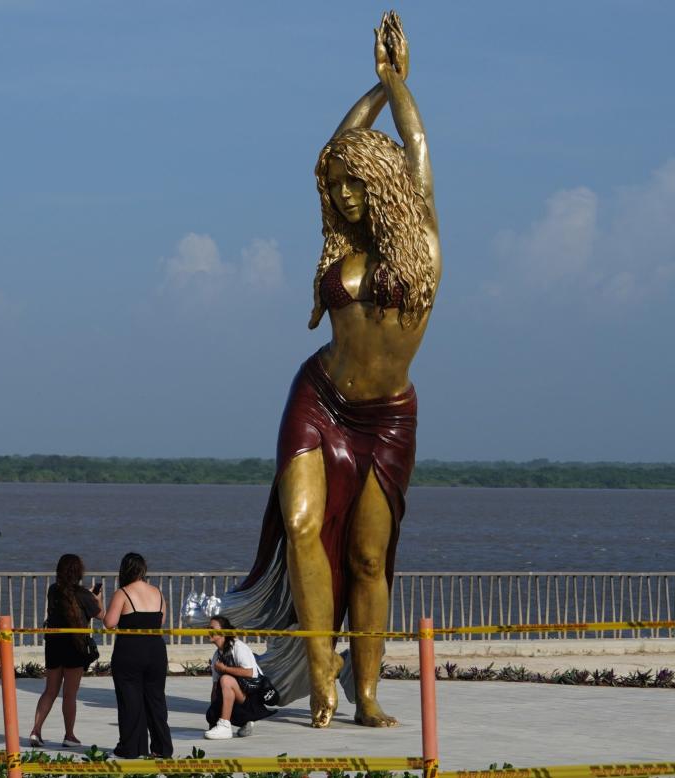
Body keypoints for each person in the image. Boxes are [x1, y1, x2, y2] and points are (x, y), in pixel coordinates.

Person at [196, 11, 439, 729]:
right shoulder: (338, 242)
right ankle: (323, 681)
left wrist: (394, 83)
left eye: (353, 186)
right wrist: (365, 91)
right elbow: (325, 153)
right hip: (318, 396)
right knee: (301, 528)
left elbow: (417, 144)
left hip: (386, 418)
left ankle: (366, 694)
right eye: (335, 189)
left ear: (384, 184)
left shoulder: (420, 240)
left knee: (367, 560)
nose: (339, 197)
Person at [28, 554, 104, 748]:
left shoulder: (53, 590)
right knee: (70, 694)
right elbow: (103, 616)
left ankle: (36, 730)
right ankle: (69, 735)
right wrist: (97, 599)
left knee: (50, 691)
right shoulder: (85, 596)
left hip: (54, 645)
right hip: (75, 647)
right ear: (79, 572)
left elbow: (68, 600)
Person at [104, 553, 171, 759]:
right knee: (156, 700)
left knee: (130, 700)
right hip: (156, 651)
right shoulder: (157, 592)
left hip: (130, 652)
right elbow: (161, 622)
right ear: (143, 570)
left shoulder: (122, 593)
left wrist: (98, 603)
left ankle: (132, 747)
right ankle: (162, 747)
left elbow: (109, 622)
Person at [202, 616, 277, 740]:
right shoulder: (217, 656)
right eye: (207, 628)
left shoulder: (238, 647)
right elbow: (215, 688)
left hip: (254, 700)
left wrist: (225, 669)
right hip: (241, 699)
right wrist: (213, 715)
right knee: (212, 711)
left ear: (224, 631)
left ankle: (225, 726)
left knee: (225, 679)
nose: (208, 631)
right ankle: (245, 722)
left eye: (212, 628)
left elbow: (249, 673)